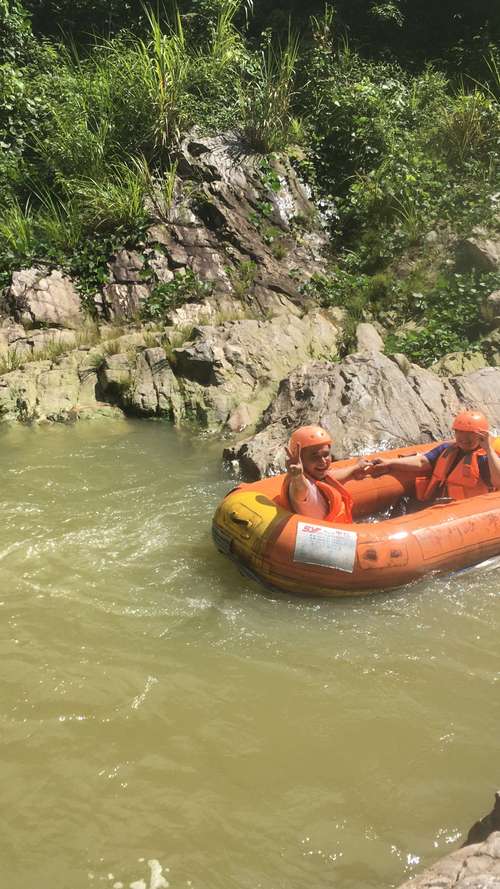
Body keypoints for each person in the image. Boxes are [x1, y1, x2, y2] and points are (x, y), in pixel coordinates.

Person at [371, 410, 500, 501]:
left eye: (470, 433)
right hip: (438, 503)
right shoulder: (447, 449)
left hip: (463, 512)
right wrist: (389, 462)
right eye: (459, 432)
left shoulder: (485, 459)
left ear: (481, 435)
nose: (463, 438)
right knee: (403, 502)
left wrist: (488, 449)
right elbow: (423, 461)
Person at [279, 425, 371, 522]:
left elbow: (332, 476)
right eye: (314, 457)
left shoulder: (316, 474)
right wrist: (297, 476)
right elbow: (300, 489)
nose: (323, 461)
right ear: (300, 459)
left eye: (326, 454)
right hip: (324, 535)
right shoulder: (301, 487)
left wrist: (356, 467)